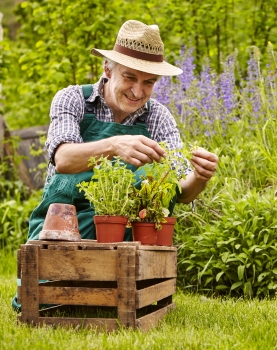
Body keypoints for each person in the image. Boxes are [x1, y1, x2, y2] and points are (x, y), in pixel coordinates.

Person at [26, 19, 218, 242]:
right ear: (108, 68)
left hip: (129, 239)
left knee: (159, 178)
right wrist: (115, 146)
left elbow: (182, 189)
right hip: (62, 232)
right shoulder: (73, 99)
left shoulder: (158, 117)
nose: (138, 91)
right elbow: (63, 159)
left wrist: (199, 177)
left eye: (149, 82)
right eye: (130, 77)